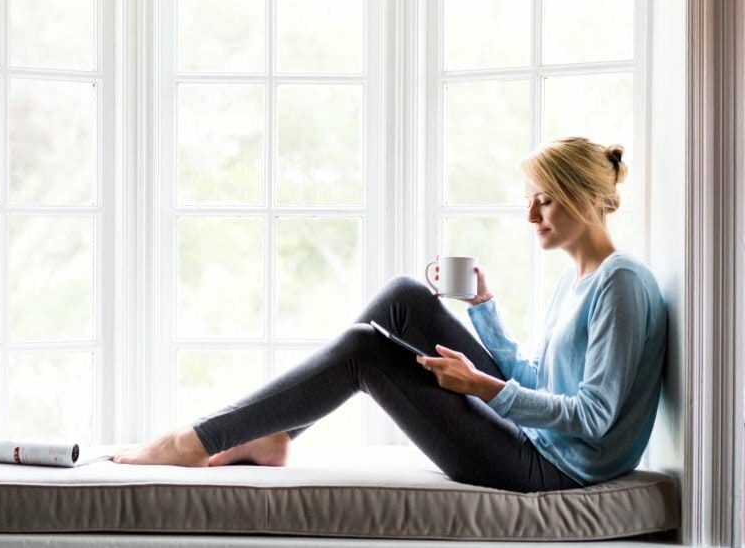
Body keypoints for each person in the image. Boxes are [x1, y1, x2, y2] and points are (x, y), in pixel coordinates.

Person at [113, 137, 667, 493]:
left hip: (550, 470)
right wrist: (483, 309)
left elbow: (594, 418)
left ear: (586, 198)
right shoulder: (580, 280)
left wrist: (483, 388)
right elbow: (538, 382)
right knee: (405, 296)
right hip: (533, 437)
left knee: (365, 350)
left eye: (544, 199)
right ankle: (274, 436)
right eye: (530, 199)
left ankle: (194, 441)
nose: (530, 215)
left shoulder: (621, 283)